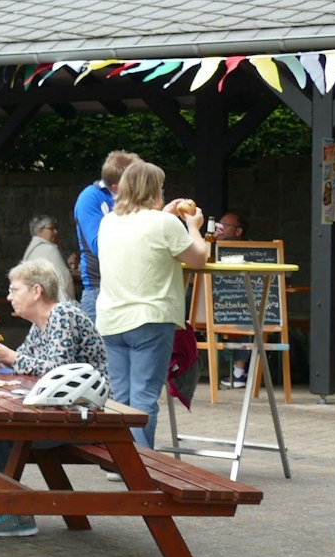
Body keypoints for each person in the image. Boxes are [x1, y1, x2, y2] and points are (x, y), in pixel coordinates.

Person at [0, 258, 111, 538]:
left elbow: (59, 370)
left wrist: (11, 357)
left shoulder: (63, 314)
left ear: (36, 291)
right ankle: (0, 501)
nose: (9, 297)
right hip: (58, 411)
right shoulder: (40, 323)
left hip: (83, 416)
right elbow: (25, 367)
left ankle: (15, 512)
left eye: (14, 290)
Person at [96, 160, 207, 447]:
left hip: (111, 320)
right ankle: (140, 464)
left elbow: (143, 233)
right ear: (154, 189)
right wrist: (193, 226)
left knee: (121, 398)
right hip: (151, 319)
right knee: (144, 397)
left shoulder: (108, 222)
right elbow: (198, 258)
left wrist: (164, 214)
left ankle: (119, 461)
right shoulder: (165, 224)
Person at [73, 150, 139, 321]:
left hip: (133, 290)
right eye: (136, 181)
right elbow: (98, 246)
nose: (141, 185)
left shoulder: (137, 200)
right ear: (117, 187)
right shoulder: (90, 198)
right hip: (99, 291)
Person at [210, 211, 250, 388]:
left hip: (235, 305)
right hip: (209, 304)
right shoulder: (209, 246)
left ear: (238, 231)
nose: (219, 228)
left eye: (225, 226)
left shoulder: (249, 251)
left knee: (243, 313)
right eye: (218, 224)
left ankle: (238, 373)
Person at [20, 214, 75, 302]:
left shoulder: (30, 250)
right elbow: (65, 280)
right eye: (51, 228)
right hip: (51, 302)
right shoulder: (49, 249)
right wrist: (72, 302)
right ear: (39, 231)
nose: (55, 232)